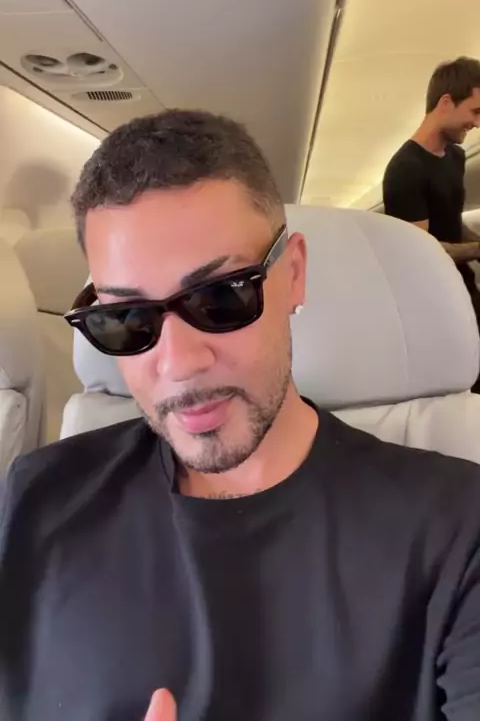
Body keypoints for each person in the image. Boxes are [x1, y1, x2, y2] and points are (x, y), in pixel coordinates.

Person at [1, 110, 480, 721]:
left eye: (220, 297)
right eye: (127, 320)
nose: (179, 363)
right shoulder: (36, 498)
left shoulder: (456, 526)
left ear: (294, 274)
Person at [383, 56, 480, 389]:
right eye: (475, 112)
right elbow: (423, 251)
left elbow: (450, 219)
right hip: (434, 299)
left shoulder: (455, 156)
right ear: (446, 102)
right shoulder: (405, 169)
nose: (477, 123)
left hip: (464, 285)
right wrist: (477, 250)